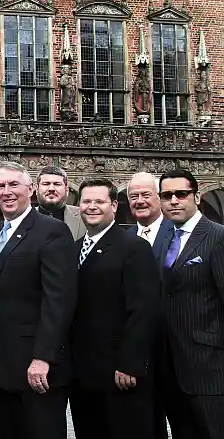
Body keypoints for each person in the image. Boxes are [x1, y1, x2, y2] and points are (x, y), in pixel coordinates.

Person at [0, 161, 77, 439]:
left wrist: (43, 357)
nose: (6, 191)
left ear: (30, 190)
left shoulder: (51, 231)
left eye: (13, 185)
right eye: (1, 186)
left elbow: (59, 299)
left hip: (36, 366)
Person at [69, 178, 159, 439]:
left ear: (114, 205)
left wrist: (130, 363)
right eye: (86, 201)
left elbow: (144, 309)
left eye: (99, 201)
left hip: (118, 371)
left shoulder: (134, 247)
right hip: (83, 371)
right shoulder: (74, 250)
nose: (92, 207)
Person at [159, 168, 224, 438]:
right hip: (171, 365)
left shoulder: (218, 237)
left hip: (209, 367)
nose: (174, 200)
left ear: (196, 197)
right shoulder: (165, 239)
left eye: (181, 194)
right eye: (166, 195)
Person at [126, 171, 175, 439]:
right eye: (134, 196)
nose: (140, 201)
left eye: (146, 195)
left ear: (159, 198)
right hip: (141, 353)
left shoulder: (177, 233)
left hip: (176, 347)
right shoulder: (127, 240)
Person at [35, 166, 86, 240]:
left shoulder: (84, 215)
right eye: (46, 184)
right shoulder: (23, 218)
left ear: (66, 190)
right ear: (36, 189)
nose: (51, 189)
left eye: (57, 184)